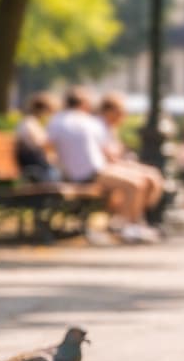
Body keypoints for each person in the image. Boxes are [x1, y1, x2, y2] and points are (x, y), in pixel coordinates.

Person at [46, 88, 159, 244]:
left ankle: (128, 224)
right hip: (90, 173)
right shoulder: (85, 122)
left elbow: (48, 147)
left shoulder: (58, 120)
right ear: (83, 104)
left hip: (88, 171)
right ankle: (127, 227)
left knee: (138, 181)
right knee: (134, 184)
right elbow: (106, 151)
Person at [97, 92, 167, 221]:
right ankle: (128, 221)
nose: (123, 116)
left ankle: (136, 218)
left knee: (153, 176)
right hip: (105, 169)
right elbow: (108, 157)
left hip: (114, 166)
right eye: (120, 112)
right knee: (137, 183)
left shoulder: (111, 129)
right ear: (109, 111)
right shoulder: (99, 127)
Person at [15, 92, 59, 183]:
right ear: (44, 110)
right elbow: (41, 144)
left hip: (35, 164)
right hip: (33, 166)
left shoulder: (31, 122)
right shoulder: (29, 123)